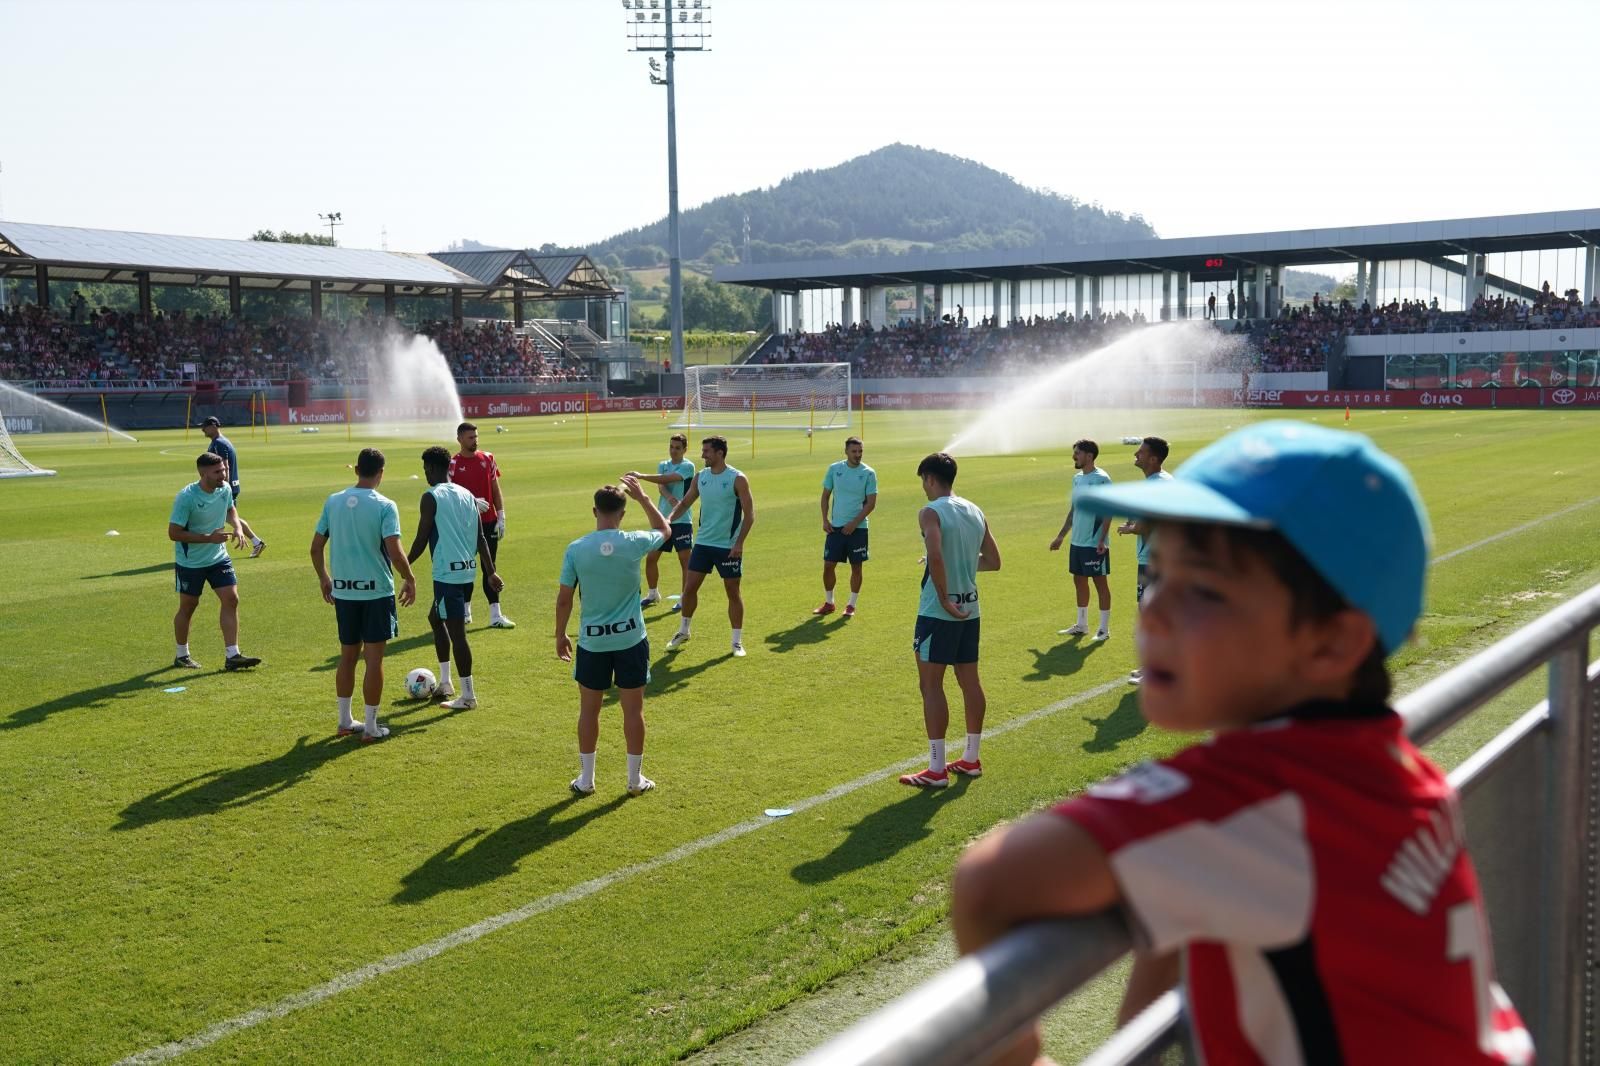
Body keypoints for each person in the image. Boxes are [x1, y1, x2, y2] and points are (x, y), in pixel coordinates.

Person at [949, 421, 1532, 1066]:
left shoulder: (1265, 799)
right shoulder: (1383, 767)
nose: (1155, 612)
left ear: (1333, 643)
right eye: (1159, 573)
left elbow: (988, 883)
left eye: (1202, 588)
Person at [556, 476, 671, 796]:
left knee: (588, 711)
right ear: (622, 513)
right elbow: (665, 531)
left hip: (592, 642)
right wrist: (646, 499)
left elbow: (565, 598)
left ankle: (586, 780)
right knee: (633, 711)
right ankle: (635, 781)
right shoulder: (633, 541)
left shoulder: (577, 549)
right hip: (631, 639)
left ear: (595, 511)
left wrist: (560, 634)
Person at [900, 452, 1001, 789]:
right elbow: (993, 561)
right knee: (969, 681)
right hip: (971, 609)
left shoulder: (930, 512)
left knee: (930, 685)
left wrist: (943, 595)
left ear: (929, 478)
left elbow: (937, 555)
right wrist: (959, 572)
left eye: (923, 482)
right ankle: (971, 759)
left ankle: (936, 769)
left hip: (937, 612)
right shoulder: (975, 510)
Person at [310, 448, 418, 742]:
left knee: (347, 657)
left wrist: (324, 578)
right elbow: (395, 551)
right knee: (373, 660)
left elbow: (316, 547)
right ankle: (370, 727)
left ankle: (345, 721)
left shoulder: (333, 501)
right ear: (381, 473)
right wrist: (409, 578)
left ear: (356, 469)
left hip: (344, 592)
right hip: (375, 592)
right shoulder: (385, 505)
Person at [406, 446, 502, 711]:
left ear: (436, 468)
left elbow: (422, 538)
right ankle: (446, 683)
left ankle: (468, 696)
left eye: (426, 469)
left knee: (457, 634)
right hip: (466, 572)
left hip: (447, 575)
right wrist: (490, 571)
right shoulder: (466, 494)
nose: (425, 474)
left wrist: (402, 565)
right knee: (435, 619)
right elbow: (481, 538)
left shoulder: (431, 496)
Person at [168, 451, 263, 671]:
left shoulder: (225, 489)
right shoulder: (186, 497)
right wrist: (207, 539)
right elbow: (174, 533)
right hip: (191, 562)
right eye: (218, 471)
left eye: (225, 470)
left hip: (218, 557)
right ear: (203, 473)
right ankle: (182, 655)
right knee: (188, 606)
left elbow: (230, 508)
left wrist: (238, 528)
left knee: (231, 599)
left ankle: (233, 655)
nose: (224, 474)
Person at [665, 435, 756, 657]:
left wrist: (739, 543)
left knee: (732, 592)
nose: (702, 454)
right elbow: (686, 502)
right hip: (703, 544)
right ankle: (684, 631)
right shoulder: (701, 477)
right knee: (689, 589)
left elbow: (750, 515)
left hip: (727, 546)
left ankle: (736, 642)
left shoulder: (737, 478)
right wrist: (668, 521)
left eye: (706, 451)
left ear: (719, 453)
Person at [1116, 436, 1173, 684]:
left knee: (1150, 612)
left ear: (1153, 458)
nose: (1135, 455)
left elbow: (1147, 523)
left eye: (1140, 452)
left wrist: (1130, 528)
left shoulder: (1156, 484)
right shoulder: (1163, 481)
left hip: (1154, 558)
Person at [448, 421, 514, 629]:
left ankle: (495, 615)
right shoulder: (453, 464)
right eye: (470, 438)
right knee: (467, 568)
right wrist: (472, 502)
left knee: (490, 566)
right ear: (459, 439)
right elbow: (448, 495)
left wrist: (501, 515)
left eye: (476, 437)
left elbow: (495, 488)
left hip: (488, 522)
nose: (474, 441)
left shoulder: (488, 458)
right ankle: (466, 611)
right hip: (464, 525)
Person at [1049, 439, 1112, 640]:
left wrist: (1102, 539)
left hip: (1094, 543)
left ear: (1089, 456)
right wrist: (1061, 536)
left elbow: (1108, 511)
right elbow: (1074, 510)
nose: (1074, 456)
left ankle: (1103, 629)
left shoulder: (1101, 479)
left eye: (1077, 453)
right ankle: (1082, 624)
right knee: (1079, 581)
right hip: (1077, 542)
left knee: (1100, 583)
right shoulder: (1077, 479)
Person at [627, 432, 695, 613]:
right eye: (671, 447)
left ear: (684, 450)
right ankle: (652, 594)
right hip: (662, 519)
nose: (673, 451)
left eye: (677, 448)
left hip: (682, 519)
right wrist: (670, 497)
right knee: (651, 558)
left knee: (685, 561)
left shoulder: (688, 466)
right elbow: (661, 485)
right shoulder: (663, 464)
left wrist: (640, 476)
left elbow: (668, 478)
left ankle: (684, 597)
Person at [814, 436, 877, 617]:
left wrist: (853, 524)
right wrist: (825, 520)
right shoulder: (835, 469)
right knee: (828, 565)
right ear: (846, 452)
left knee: (856, 567)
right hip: (836, 527)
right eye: (854, 451)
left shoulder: (868, 473)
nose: (858, 455)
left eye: (860, 451)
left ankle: (851, 605)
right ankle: (829, 602)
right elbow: (825, 495)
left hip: (858, 528)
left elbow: (871, 504)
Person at [199, 415, 266, 557]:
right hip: (230, 486)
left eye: (205, 427)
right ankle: (256, 542)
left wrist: (223, 486)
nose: (202, 430)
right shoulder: (221, 442)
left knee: (227, 517)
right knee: (227, 517)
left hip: (226, 487)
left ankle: (256, 542)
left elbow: (225, 466)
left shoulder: (219, 443)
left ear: (213, 426)